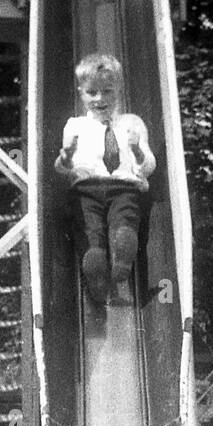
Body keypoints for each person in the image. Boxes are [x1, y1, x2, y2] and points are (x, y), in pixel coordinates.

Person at [54, 53, 156, 304]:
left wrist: (137, 150)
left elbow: (149, 166)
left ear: (119, 89)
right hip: (86, 189)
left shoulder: (132, 122)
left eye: (107, 91)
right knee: (89, 228)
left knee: (125, 216)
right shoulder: (74, 126)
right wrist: (66, 155)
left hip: (123, 187)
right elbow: (62, 169)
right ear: (81, 93)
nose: (99, 99)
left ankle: (122, 256)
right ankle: (96, 265)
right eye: (92, 92)